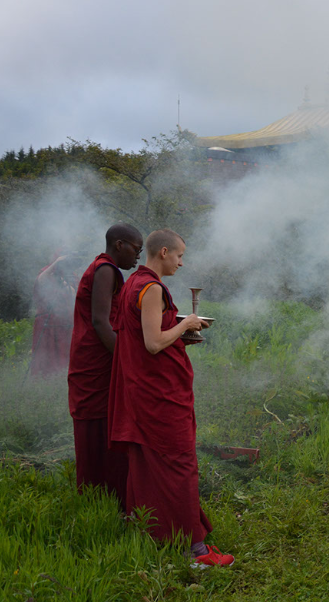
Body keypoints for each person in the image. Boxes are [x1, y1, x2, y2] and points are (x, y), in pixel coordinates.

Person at [108, 229, 232, 568]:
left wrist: (180, 334)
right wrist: (187, 323)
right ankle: (197, 552)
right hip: (158, 395)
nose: (181, 262)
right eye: (179, 255)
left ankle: (152, 533)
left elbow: (149, 337)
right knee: (180, 466)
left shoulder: (133, 283)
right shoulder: (150, 288)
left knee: (148, 465)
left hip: (146, 389)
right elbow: (151, 343)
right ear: (163, 252)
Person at [67, 223, 143, 506]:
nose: (137, 257)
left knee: (101, 426)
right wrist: (125, 358)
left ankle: (100, 496)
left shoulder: (102, 268)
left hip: (93, 356)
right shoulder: (106, 269)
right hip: (96, 358)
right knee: (100, 426)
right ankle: (105, 497)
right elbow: (100, 321)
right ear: (119, 244)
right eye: (136, 249)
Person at [30, 253, 78, 378]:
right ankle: (43, 380)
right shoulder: (46, 273)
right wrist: (56, 264)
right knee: (45, 355)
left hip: (65, 322)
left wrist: (69, 287)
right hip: (47, 322)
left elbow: (77, 297)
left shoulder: (71, 276)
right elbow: (40, 281)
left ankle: (62, 378)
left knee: (64, 354)